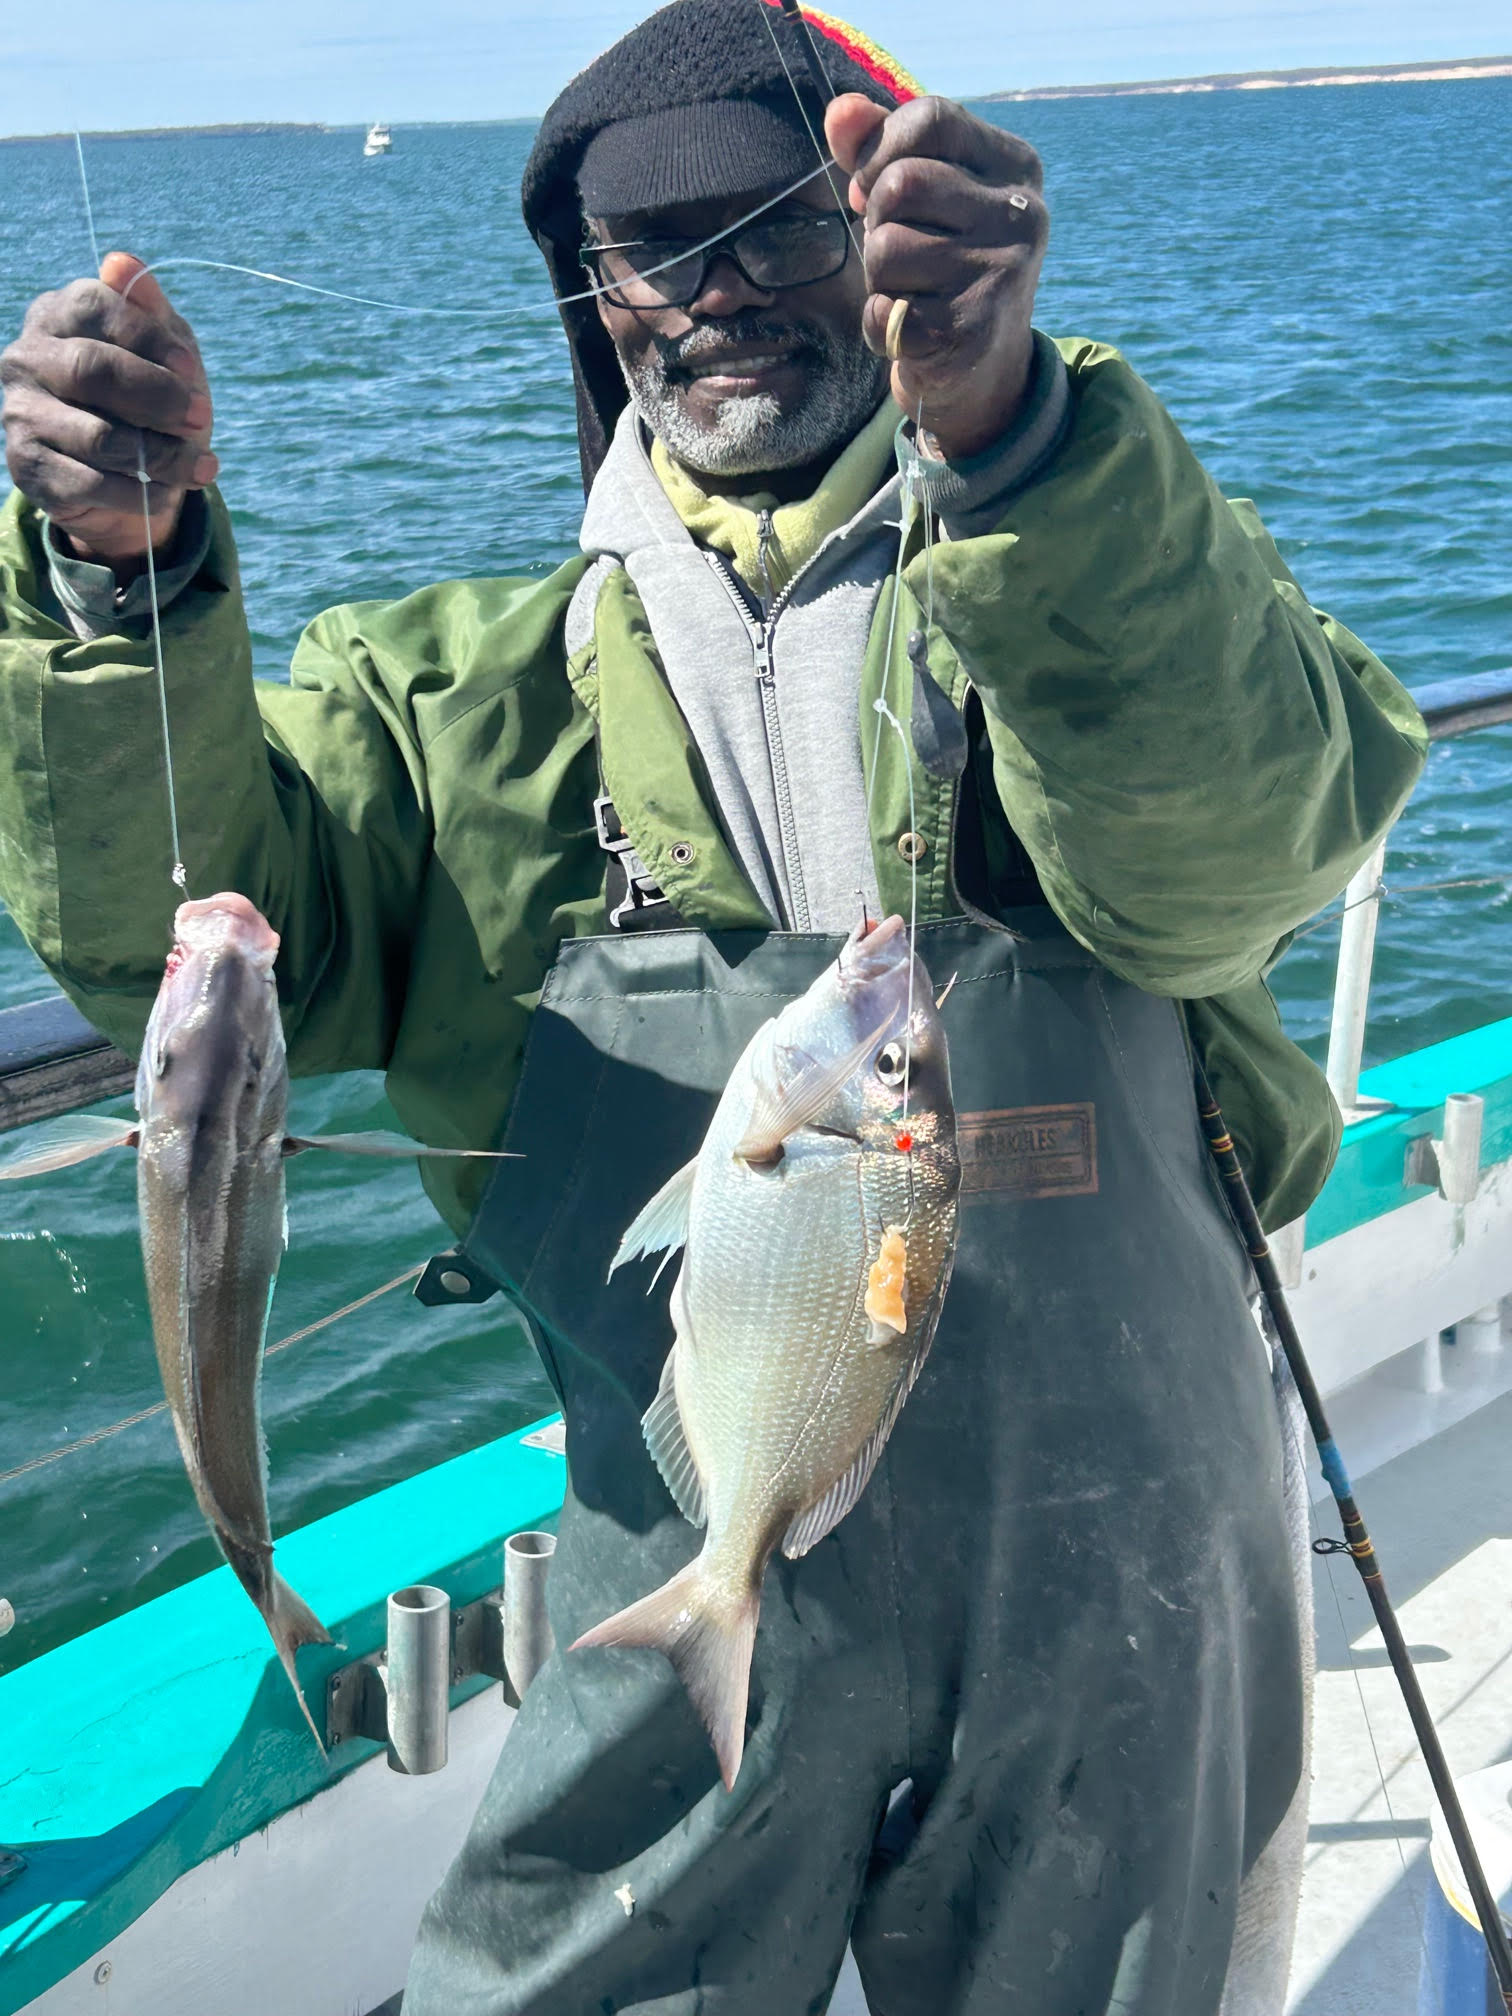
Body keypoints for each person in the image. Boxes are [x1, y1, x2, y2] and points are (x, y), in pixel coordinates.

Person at [0, 3, 1427, 2010]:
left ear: (885, 251)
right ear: (592, 303)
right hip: (686, 1522)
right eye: (657, 250)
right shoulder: (456, 695)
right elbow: (220, 938)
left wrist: (1016, 437)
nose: (723, 292)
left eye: (781, 228)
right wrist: (114, 581)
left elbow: (1257, 834)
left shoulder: (1099, 561)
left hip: (1119, 1535)